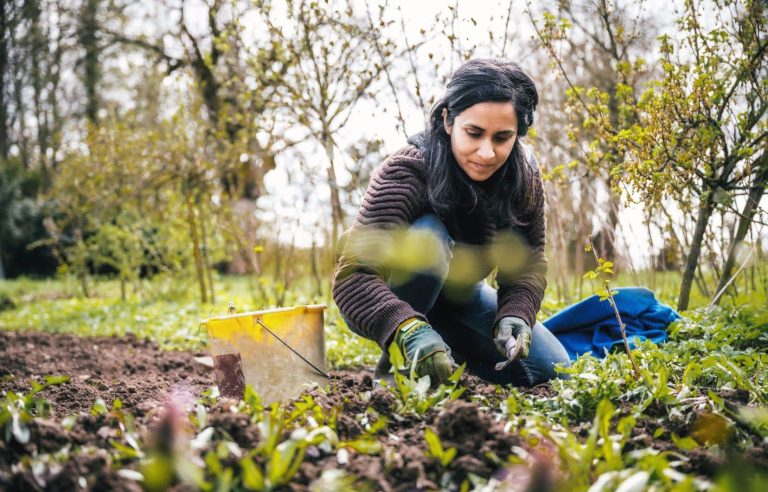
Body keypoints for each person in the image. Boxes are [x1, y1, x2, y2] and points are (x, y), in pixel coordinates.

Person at [332, 59, 570, 386]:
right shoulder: (407, 170)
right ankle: (397, 373)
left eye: (502, 137)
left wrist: (516, 312)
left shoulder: (523, 179)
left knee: (550, 367)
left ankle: (445, 349)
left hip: (461, 296)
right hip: (388, 292)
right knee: (428, 238)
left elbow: (527, 263)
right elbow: (353, 277)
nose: (486, 152)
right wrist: (405, 327)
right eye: (474, 133)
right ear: (447, 120)